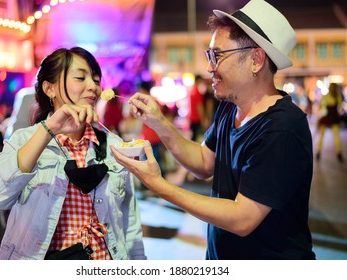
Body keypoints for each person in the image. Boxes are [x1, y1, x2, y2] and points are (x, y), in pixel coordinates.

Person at [111, 0, 316, 260]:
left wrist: (159, 186)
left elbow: (243, 218)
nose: (209, 67)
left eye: (217, 56)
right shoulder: (230, 108)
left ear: (256, 59)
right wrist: (158, 122)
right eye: (209, 56)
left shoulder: (283, 127)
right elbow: (203, 161)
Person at [0, 47, 146, 260]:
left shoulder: (115, 145)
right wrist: (49, 130)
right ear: (50, 89)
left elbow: (130, 223)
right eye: (80, 77)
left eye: (96, 80)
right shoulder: (25, 141)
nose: (93, 87)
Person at [316, 82, 344, 162]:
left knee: (326, 136)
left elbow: (320, 106)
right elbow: (340, 107)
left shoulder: (328, 96)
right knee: (332, 136)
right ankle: (337, 153)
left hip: (328, 117)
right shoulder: (336, 96)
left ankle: (319, 152)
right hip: (332, 117)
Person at [188, 75, 206, 142]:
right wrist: (203, 118)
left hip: (192, 118)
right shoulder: (197, 92)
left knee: (193, 137)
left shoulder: (192, 91)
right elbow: (199, 106)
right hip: (196, 118)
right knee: (196, 138)